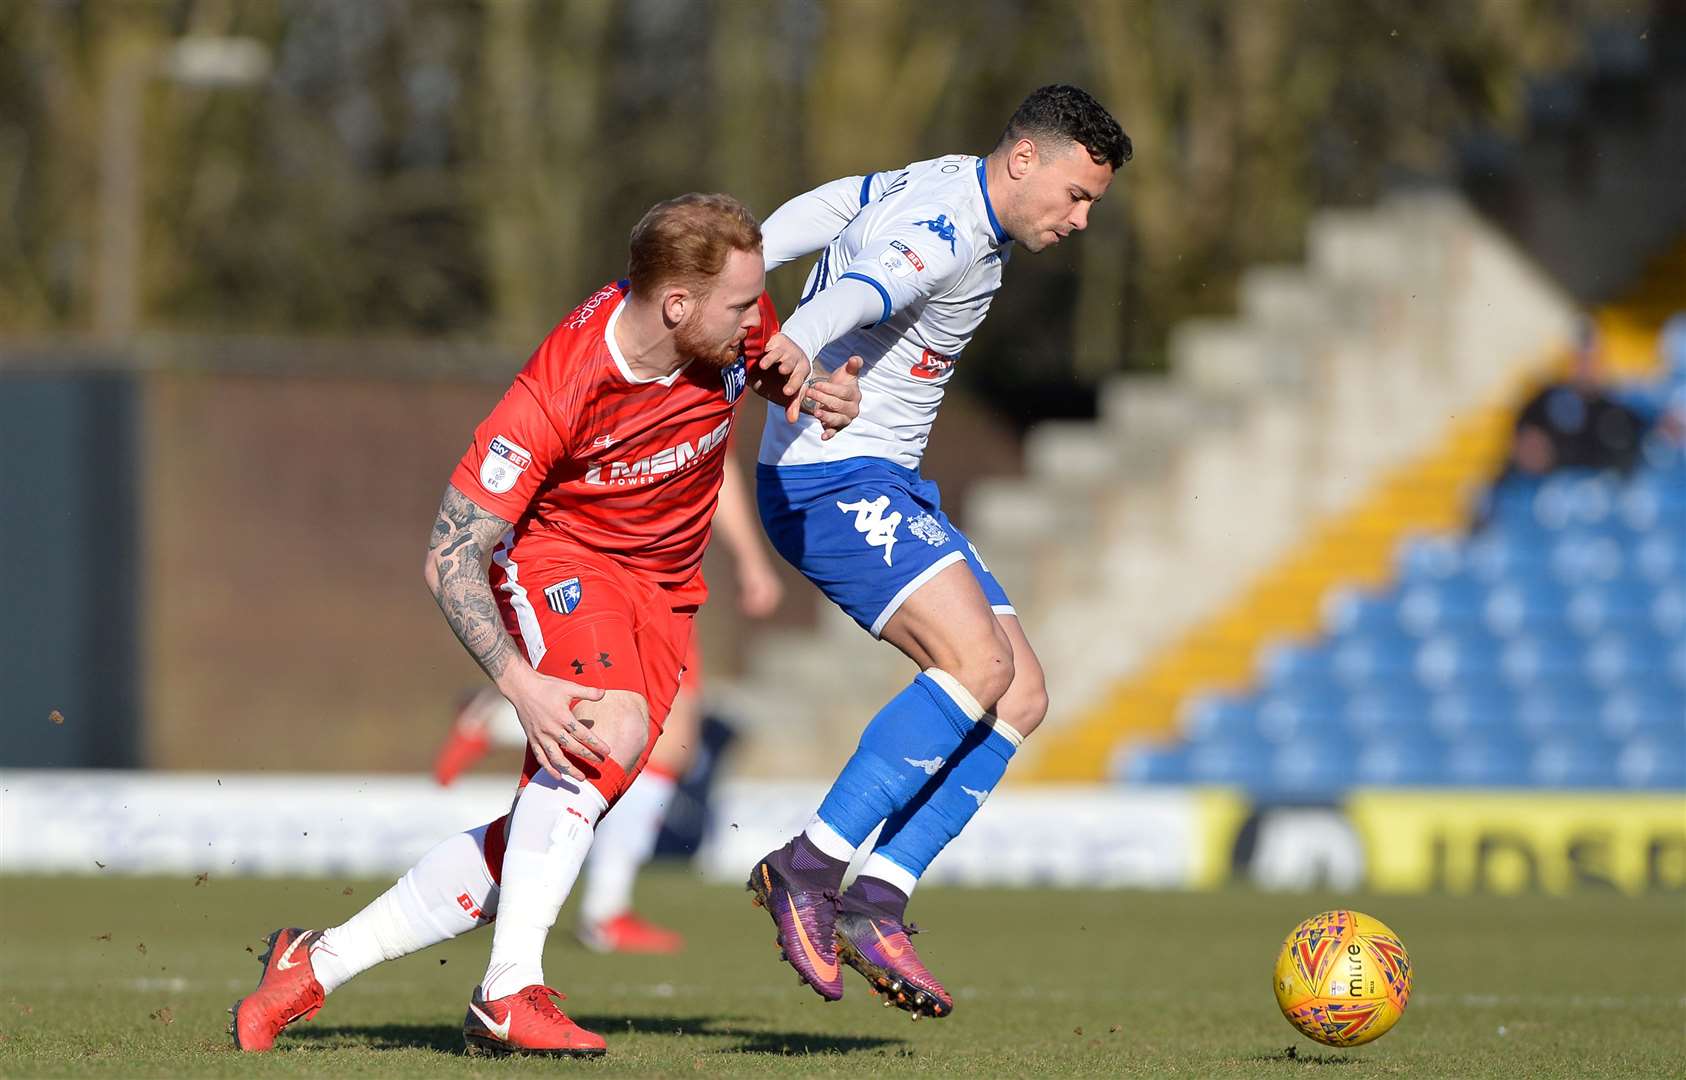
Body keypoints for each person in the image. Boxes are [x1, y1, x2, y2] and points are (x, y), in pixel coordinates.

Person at [230, 192, 860, 1057]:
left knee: (552, 823)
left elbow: (775, 366)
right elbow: (448, 556)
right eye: (743, 304)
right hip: (566, 564)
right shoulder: (560, 385)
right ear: (678, 305)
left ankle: (316, 962)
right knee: (608, 734)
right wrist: (519, 686)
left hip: (667, 588)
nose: (758, 318)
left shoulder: (730, 322)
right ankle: (508, 991)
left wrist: (819, 396)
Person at [742, 85, 1131, 1019]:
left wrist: (745, 256)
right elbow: (870, 288)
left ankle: (876, 899)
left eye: (1093, 206)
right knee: (977, 663)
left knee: (1021, 694)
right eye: (1076, 196)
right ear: (1026, 159)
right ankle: (810, 868)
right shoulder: (954, 227)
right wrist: (790, 339)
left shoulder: (944, 181)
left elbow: (834, 205)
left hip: (885, 482)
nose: (1079, 220)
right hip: (829, 481)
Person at [430, 454, 784, 954]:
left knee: (660, 742)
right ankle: (597, 916)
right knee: (652, 735)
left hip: (656, 566)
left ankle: (600, 910)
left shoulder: (722, 377)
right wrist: (751, 559)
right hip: (611, 559)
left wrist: (745, 557)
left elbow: (709, 459)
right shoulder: (663, 378)